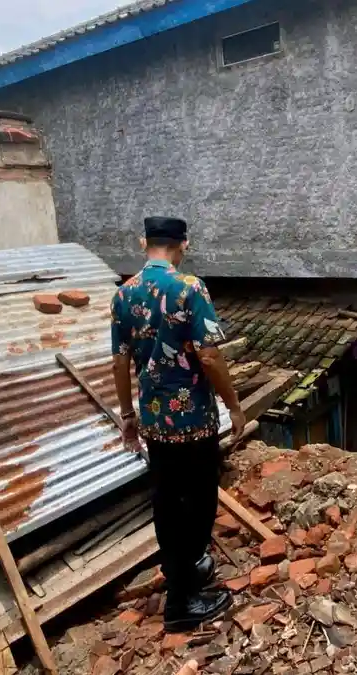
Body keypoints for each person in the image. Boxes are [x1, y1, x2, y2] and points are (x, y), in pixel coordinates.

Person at [110, 216, 245, 632]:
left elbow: (119, 361)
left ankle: (183, 573)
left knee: (167, 499)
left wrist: (128, 415)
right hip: (193, 420)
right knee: (200, 499)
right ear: (182, 244)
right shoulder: (190, 288)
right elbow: (209, 355)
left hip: (153, 420)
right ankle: (184, 600)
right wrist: (234, 405)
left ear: (143, 242)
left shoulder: (124, 294)